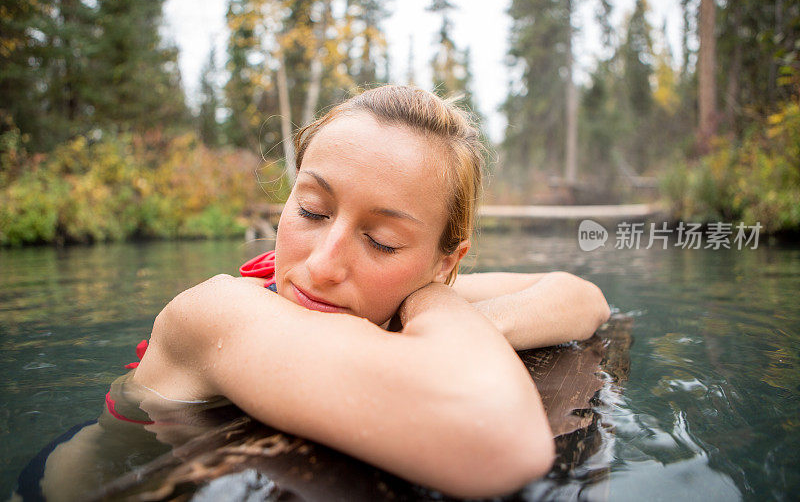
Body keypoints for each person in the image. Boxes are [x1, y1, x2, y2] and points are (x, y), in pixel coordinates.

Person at [128, 85, 610, 498]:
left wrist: (434, 305)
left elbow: (581, 296)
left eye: (383, 242)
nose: (321, 265)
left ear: (445, 262)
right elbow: (502, 440)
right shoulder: (218, 311)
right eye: (312, 210)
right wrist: (440, 308)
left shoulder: (401, 295)